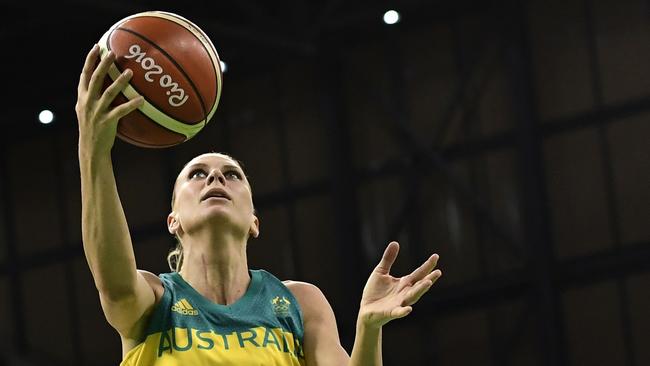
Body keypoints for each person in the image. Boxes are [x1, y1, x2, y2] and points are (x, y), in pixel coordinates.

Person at [76, 43, 442, 366]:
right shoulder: (155, 300)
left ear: (254, 220)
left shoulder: (300, 302)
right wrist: (93, 149)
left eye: (232, 174)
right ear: (173, 221)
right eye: (197, 174)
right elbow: (114, 283)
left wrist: (368, 327)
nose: (216, 178)